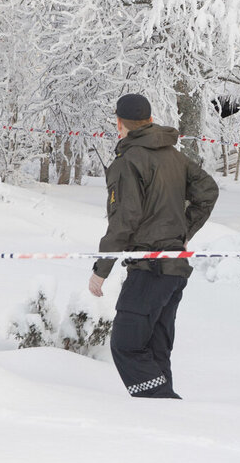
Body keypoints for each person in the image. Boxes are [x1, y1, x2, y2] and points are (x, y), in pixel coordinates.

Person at [88, 93, 219, 399]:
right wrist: (182, 232)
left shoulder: (129, 160)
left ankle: (161, 402)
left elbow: (124, 220)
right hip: (173, 271)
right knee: (155, 349)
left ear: (120, 123)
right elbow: (208, 191)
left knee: (127, 345)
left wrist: (101, 270)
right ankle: (165, 418)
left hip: (150, 270)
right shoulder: (174, 155)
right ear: (148, 120)